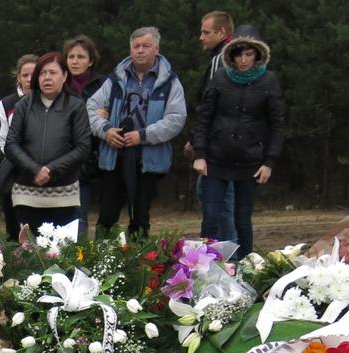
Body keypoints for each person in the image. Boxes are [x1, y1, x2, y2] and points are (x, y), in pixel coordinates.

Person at [192, 27, 284, 259]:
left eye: (249, 54)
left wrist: (269, 162)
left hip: (250, 161)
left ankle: (245, 267)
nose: (243, 60)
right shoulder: (220, 77)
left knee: (242, 219)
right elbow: (204, 117)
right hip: (215, 159)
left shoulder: (269, 81)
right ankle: (206, 266)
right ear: (231, 55)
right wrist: (200, 154)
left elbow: (277, 125)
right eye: (239, 54)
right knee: (210, 218)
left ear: (258, 55)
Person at [88, 27, 187, 237]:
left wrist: (143, 136)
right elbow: (91, 108)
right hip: (114, 156)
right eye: (136, 46)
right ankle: (101, 257)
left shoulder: (170, 82)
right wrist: (106, 131)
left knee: (141, 218)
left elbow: (176, 119)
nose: (140, 50)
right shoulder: (115, 79)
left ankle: (141, 256)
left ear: (156, 49)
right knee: (106, 217)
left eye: (146, 46)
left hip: (148, 159)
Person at [3, 51, 91, 234]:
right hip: (27, 194)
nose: (47, 78)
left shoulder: (76, 106)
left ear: (64, 76)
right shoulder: (23, 105)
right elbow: (11, 144)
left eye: (53, 72)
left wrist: (51, 170)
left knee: (63, 249)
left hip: (64, 194)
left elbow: (83, 147)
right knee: (29, 248)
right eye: (42, 73)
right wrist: (35, 169)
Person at [188, 11, 237, 242]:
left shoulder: (222, 59)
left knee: (217, 201)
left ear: (221, 32)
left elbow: (209, 104)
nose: (201, 37)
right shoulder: (229, 56)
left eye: (206, 32)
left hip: (218, 143)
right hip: (228, 141)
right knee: (219, 199)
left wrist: (198, 141)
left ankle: (224, 253)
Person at [63, 36, 106, 237]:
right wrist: (91, 117)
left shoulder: (104, 85)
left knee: (102, 216)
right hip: (68, 159)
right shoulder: (60, 86)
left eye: (80, 57)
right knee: (72, 217)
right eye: (71, 56)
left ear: (90, 61)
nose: (74, 61)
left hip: (98, 157)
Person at [0, 54, 37, 239]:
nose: (29, 79)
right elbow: (0, 139)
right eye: (25, 75)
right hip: (14, 174)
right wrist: (19, 161)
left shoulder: (51, 102)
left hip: (42, 175)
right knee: (14, 230)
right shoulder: (7, 104)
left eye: (33, 75)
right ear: (18, 77)